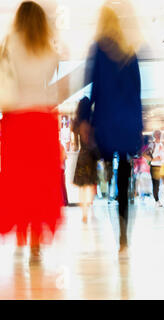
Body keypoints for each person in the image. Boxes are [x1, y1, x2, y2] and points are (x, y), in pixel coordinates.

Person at [0, 1, 64, 263]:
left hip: (16, 120)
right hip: (43, 121)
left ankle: (21, 234)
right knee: (40, 181)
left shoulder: (9, 44)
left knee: (18, 179)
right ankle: (36, 242)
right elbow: (52, 86)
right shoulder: (49, 49)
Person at [80, 3, 143, 253]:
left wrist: (86, 118)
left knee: (109, 166)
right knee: (125, 172)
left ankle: (109, 191)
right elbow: (136, 92)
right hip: (126, 122)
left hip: (106, 122)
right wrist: (139, 125)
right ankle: (123, 232)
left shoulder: (98, 50)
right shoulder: (130, 51)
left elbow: (92, 88)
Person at [72, 97, 99, 223]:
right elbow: (93, 141)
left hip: (81, 156)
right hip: (91, 156)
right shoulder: (91, 123)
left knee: (82, 186)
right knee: (90, 185)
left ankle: (84, 211)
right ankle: (87, 207)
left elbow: (76, 145)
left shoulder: (77, 123)